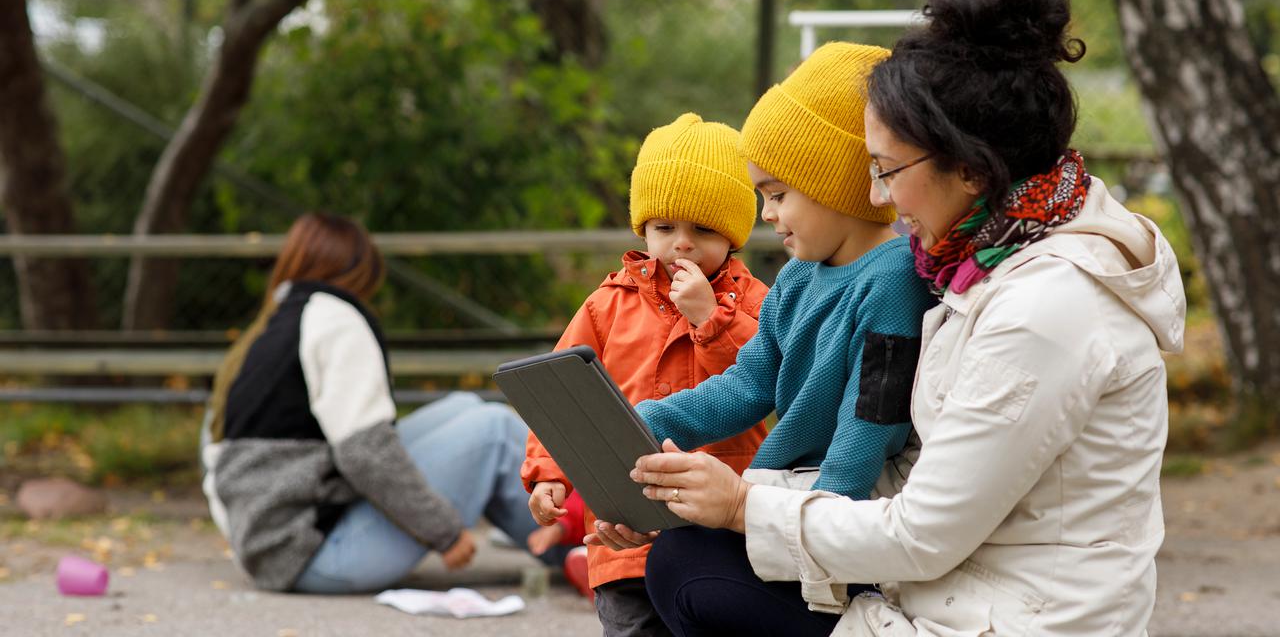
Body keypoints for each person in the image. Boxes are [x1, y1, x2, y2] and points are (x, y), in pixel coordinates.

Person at [619, 0, 1185, 636]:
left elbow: (922, 528)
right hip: (949, 592)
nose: (878, 197)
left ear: (972, 168)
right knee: (688, 555)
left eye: (886, 170)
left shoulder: (1046, 308)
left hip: (1001, 619)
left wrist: (743, 504)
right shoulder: (980, 269)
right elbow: (913, 479)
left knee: (696, 570)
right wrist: (703, 496)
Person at [591, 45, 934, 602]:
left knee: (686, 570)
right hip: (787, 494)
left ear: (836, 185)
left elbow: (868, 425)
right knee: (673, 562)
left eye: (777, 194)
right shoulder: (799, 277)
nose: (767, 214)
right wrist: (642, 424)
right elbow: (746, 386)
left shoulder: (894, 281)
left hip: (844, 518)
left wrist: (816, 554)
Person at [201, 212, 564, 593]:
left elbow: (214, 454)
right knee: (493, 432)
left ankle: (563, 533)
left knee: (465, 407)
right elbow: (365, 453)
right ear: (361, 269)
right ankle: (591, 551)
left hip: (270, 544)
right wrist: (445, 532)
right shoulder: (335, 318)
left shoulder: (265, 330)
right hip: (315, 553)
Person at [522, 113, 771, 637]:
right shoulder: (609, 303)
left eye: (702, 229)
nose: (681, 243)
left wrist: (712, 317)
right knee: (632, 623)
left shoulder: (752, 301)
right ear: (644, 230)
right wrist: (548, 472)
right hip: (626, 522)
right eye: (664, 228)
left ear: (734, 234)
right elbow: (563, 395)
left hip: (720, 520)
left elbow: (770, 378)